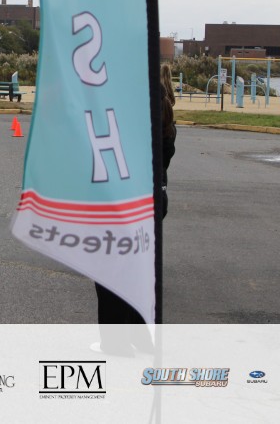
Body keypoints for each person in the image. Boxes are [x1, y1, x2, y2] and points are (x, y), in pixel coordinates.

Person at [93, 66, 176, 352]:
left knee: (111, 272)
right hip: (153, 201)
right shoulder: (165, 124)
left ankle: (116, 340)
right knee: (138, 270)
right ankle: (140, 336)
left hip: (123, 201)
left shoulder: (125, 125)